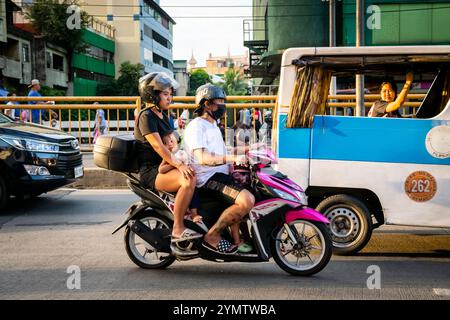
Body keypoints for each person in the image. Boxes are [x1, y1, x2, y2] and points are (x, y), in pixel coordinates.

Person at [183, 84, 255, 255]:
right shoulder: (197, 126)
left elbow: (222, 153)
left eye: (224, 101)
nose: (223, 105)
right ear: (207, 104)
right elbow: (204, 158)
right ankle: (212, 236)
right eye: (219, 101)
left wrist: (251, 149)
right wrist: (233, 158)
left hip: (220, 175)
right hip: (207, 179)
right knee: (247, 201)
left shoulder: (213, 125)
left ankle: (239, 240)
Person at [134, 72, 201, 245]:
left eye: (170, 94)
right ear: (153, 95)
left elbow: (173, 144)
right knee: (188, 178)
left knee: (196, 172)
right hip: (152, 171)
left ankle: (193, 215)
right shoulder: (146, 116)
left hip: (166, 165)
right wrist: (179, 165)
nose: (169, 98)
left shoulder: (165, 116)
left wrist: (183, 156)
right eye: (165, 94)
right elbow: (158, 146)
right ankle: (178, 228)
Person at [159, 131, 203, 225]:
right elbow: (161, 169)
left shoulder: (182, 153)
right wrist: (175, 164)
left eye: (171, 141)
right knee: (193, 191)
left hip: (187, 177)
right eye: (165, 143)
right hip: (177, 179)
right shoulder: (168, 156)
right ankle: (194, 214)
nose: (169, 145)